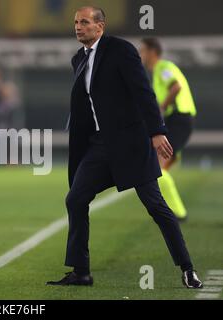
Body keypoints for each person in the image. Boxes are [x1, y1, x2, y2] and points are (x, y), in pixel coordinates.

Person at [47, 7, 202, 289]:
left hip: (131, 144)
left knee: (156, 207)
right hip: (98, 146)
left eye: (84, 22)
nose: (78, 27)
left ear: (100, 26)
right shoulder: (78, 59)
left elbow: (143, 91)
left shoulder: (121, 50)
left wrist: (156, 132)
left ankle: (188, 268)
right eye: (75, 22)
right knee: (76, 199)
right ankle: (81, 272)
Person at [139, 38, 197, 221]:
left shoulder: (163, 68)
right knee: (157, 168)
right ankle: (172, 211)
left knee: (156, 168)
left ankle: (178, 213)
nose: (140, 54)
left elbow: (176, 86)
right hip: (177, 120)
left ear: (152, 52)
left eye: (143, 50)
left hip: (179, 119)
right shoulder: (157, 72)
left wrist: (161, 108)